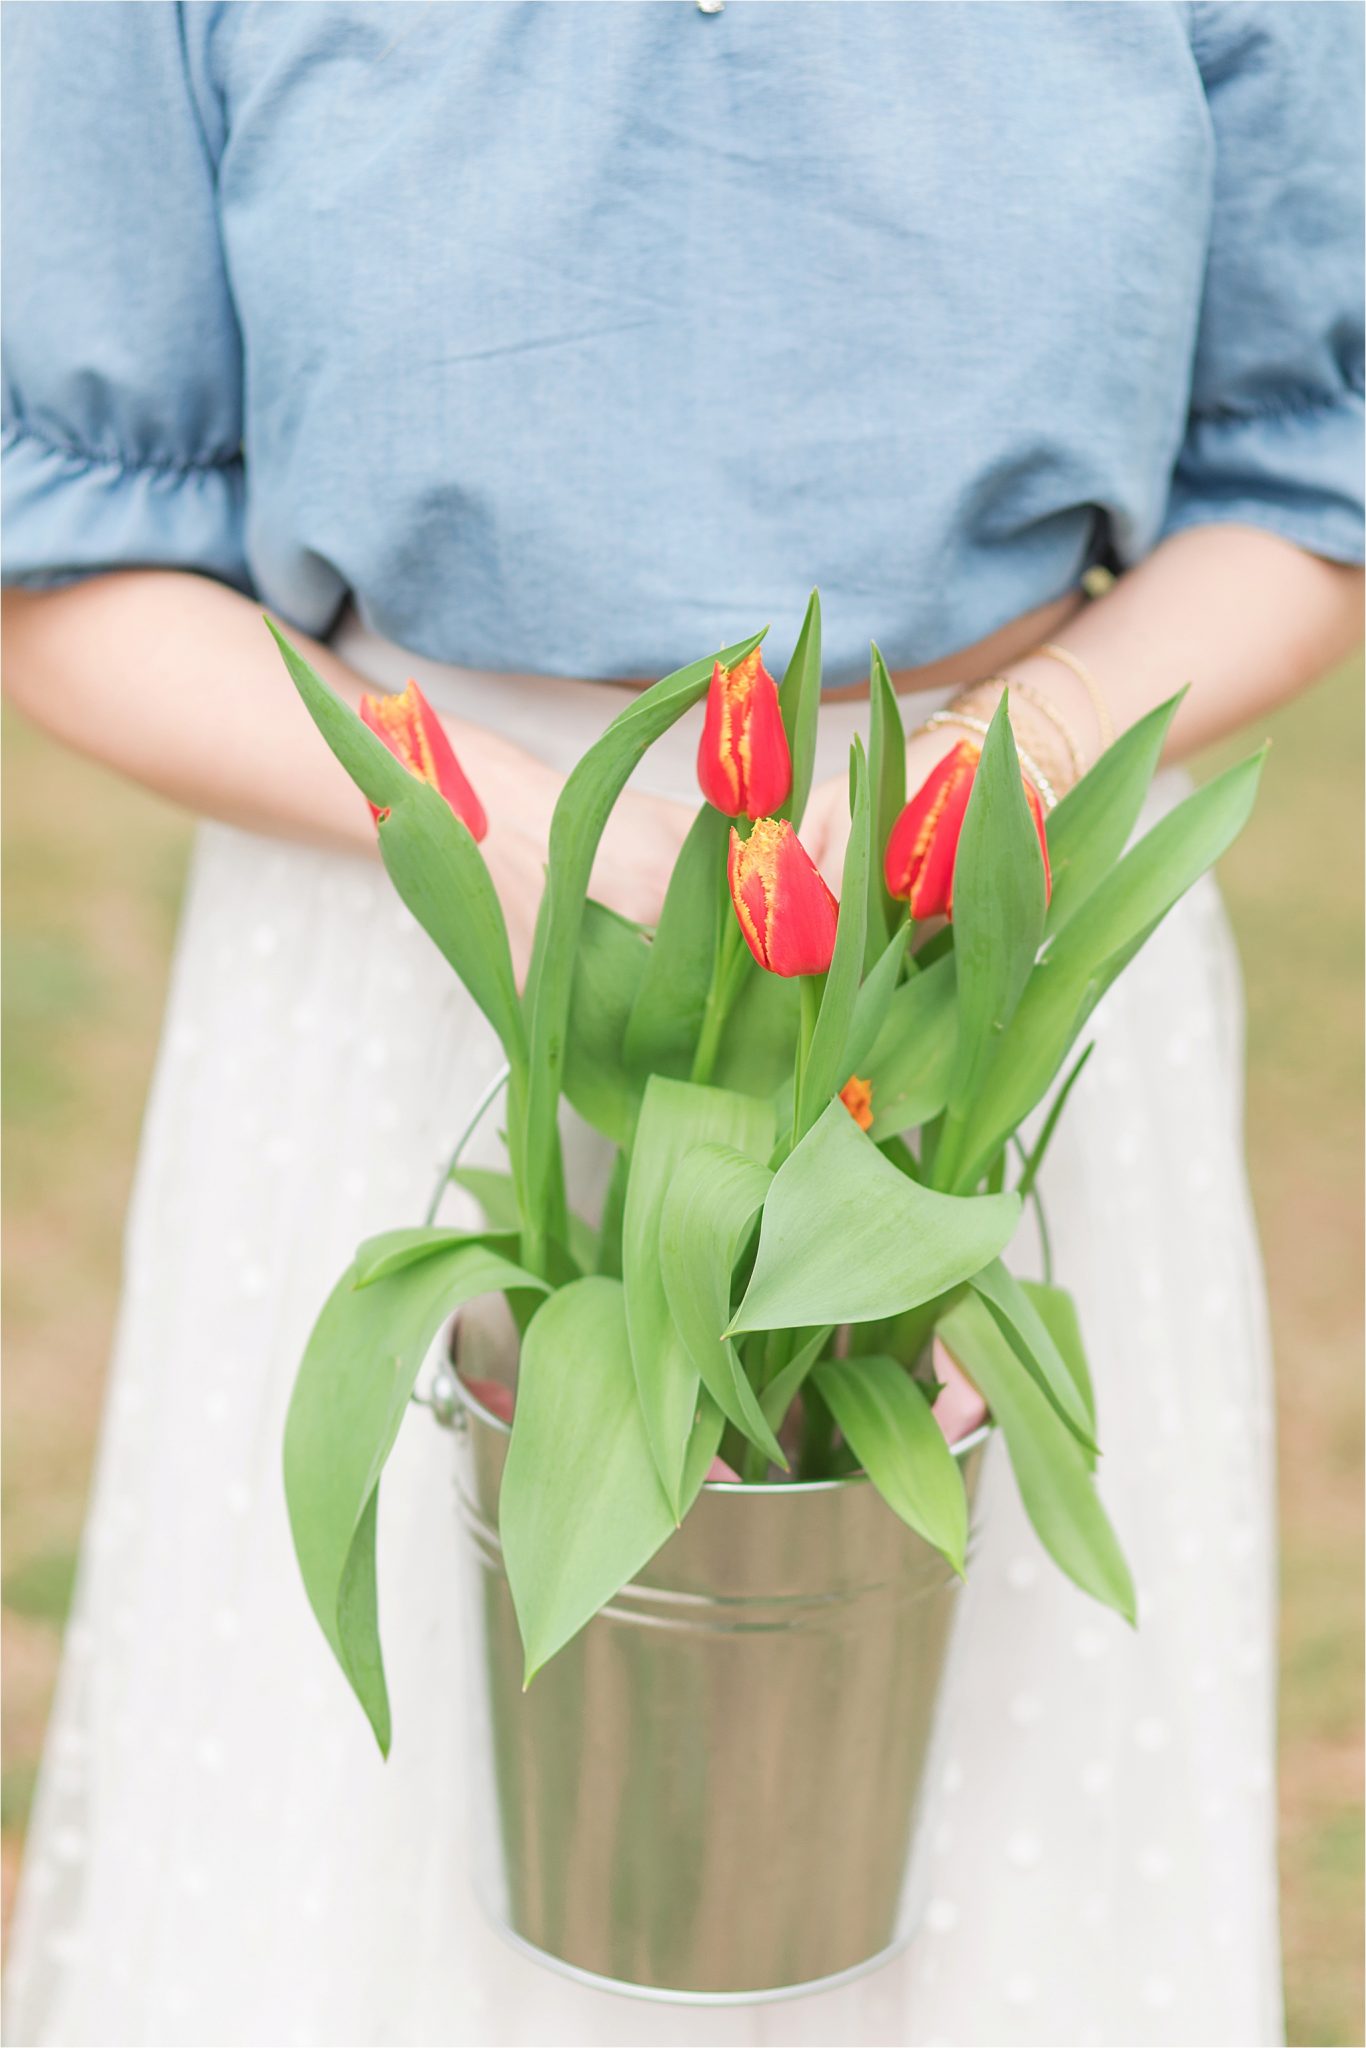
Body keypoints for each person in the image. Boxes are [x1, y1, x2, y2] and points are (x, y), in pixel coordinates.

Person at [3, 5, 1362, 2044]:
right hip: (421, 912)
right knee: (411, 1883)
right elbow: (65, 546)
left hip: (980, 914)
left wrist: (1003, 772)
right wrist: (539, 839)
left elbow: (1296, 468)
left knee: (961, 1866)